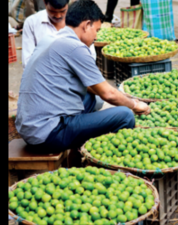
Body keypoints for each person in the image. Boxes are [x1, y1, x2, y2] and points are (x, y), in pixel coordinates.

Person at [15, 0, 150, 167]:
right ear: (87, 25)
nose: (96, 36)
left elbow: (96, 88)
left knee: (94, 99)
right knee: (125, 115)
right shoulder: (75, 47)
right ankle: (104, 166)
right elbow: (108, 93)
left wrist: (123, 96)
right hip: (48, 134)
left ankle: (78, 153)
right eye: (97, 30)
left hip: (30, 127)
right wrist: (135, 105)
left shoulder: (52, 39)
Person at [21, 0, 96, 69]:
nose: (58, 16)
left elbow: (90, 56)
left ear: (68, 4)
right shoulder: (31, 23)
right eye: (52, 11)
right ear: (45, 3)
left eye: (62, 11)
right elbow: (28, 62)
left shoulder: (80, 21)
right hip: (44, 78)